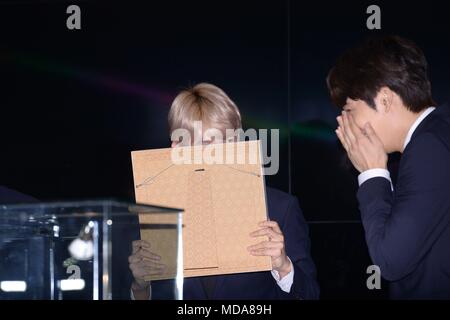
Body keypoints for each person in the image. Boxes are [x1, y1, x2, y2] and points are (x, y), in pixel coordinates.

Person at [129, 83, 319, 299]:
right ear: (176, 147)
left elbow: (310, 295)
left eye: (222, 142)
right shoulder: (156, 212)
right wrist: (140, 286)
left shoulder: (279, 207)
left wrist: (283, 267)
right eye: (196, 144)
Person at [328, 35, 450, 299]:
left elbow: (391, 259)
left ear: (384, 99)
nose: (342, 123)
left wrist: (372, 172)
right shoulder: (438, 133)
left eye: (349, 110)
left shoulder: (429, 147)